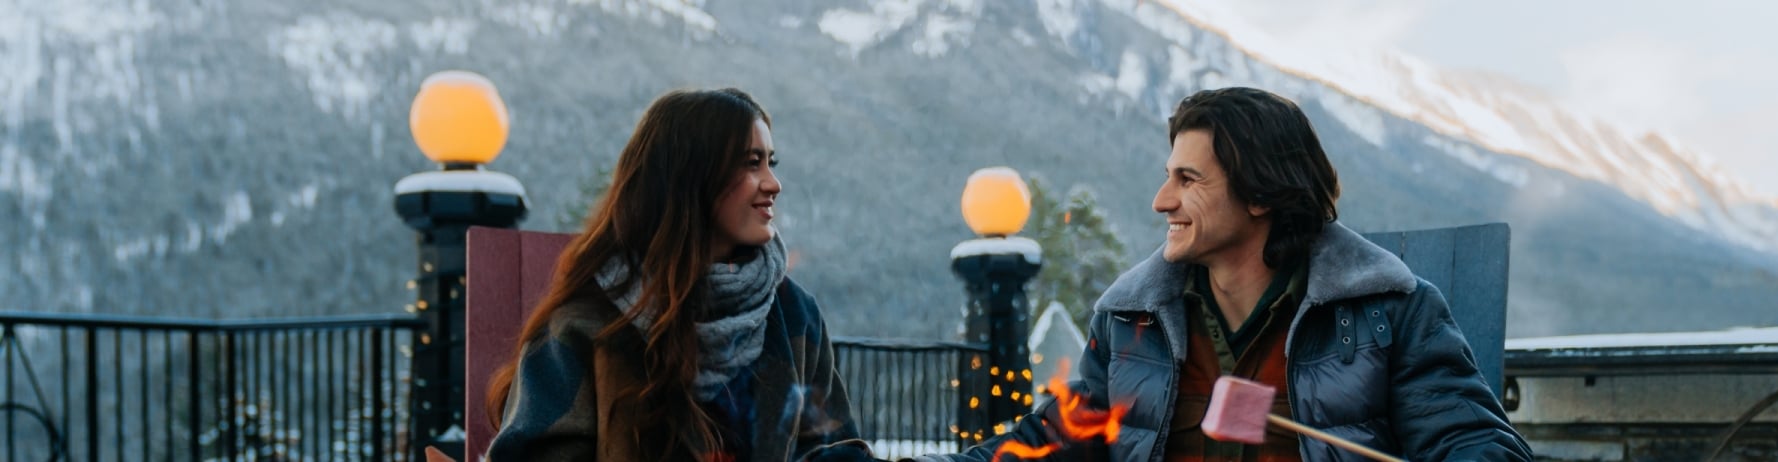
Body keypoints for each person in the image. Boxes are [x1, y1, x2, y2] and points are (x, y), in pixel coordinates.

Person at [916, 87, 1532, 461]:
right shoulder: (1133, 324)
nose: (1161, 200)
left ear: (1261, 194)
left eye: (1189, 180)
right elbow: (1047, 442)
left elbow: (1474, 442)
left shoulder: (1390, 313)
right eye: (1168, 175)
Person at [486, 88, 876, 461]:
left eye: (770, 163)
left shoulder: (794, 314)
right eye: (750, 163)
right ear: (690, 178)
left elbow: (832, 450)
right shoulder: (585, 326)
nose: (773, 184)